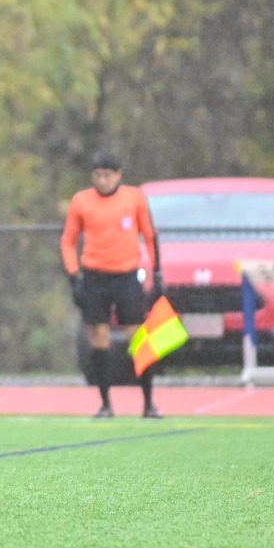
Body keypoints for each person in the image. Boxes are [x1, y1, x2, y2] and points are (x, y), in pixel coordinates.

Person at [61, 150, 163, 418]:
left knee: (138, 338)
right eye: (97, 175)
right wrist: (74, 276)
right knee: (99, 338)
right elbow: (68, 241)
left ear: (118, 175)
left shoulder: (134, 198)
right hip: (95, 276)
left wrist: (157, 271)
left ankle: (148, 403)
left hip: (127, 275)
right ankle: (106, 404)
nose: (102, 180)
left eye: (107, 175)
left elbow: (150, 236)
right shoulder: (81, 202)